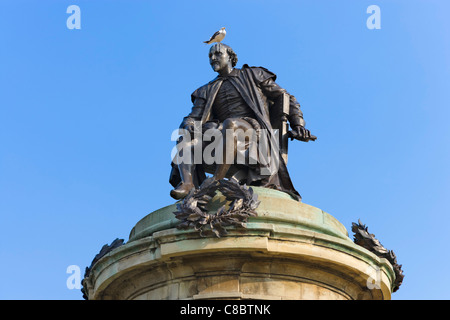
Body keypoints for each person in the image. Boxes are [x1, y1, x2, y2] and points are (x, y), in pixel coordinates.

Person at [169, 43, 315, 201]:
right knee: (187, 141)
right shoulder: (206, 89)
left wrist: (298, 124)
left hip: (252, 131)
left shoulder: (253, 74)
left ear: (230, 57)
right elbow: (194, 116)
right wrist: (189, 124)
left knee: (230, 124)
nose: (212, 58)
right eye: (210, 56)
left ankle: (215, 181)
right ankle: (188, 184)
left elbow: (286, 98)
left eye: (217, 54)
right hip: (219, 135)